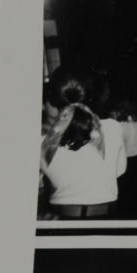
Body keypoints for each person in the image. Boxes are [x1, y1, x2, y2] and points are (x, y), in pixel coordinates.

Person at [40, 67, 126, 219]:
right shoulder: (113, 128)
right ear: (92, 95)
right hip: (107, 220)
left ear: (52, 98)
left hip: (65, 221)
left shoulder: (43, 141)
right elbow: (119, 171)